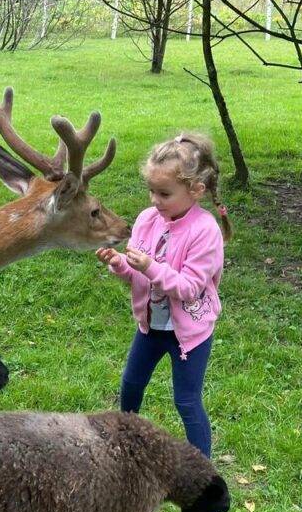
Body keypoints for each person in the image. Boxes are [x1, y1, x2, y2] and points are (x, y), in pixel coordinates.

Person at [96, 133, 232, 458]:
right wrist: (120, 265)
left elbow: (188, 288)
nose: (155, 200)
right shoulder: (147, 221)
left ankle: (202, 472)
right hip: (151, 328)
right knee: (130, 385)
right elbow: (138, 277)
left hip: (190, 334)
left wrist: (150, 267)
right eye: (152, 191)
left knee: (186, 400)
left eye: (165, 193)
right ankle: (125, 445)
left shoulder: (205, 231)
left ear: (195, 190)